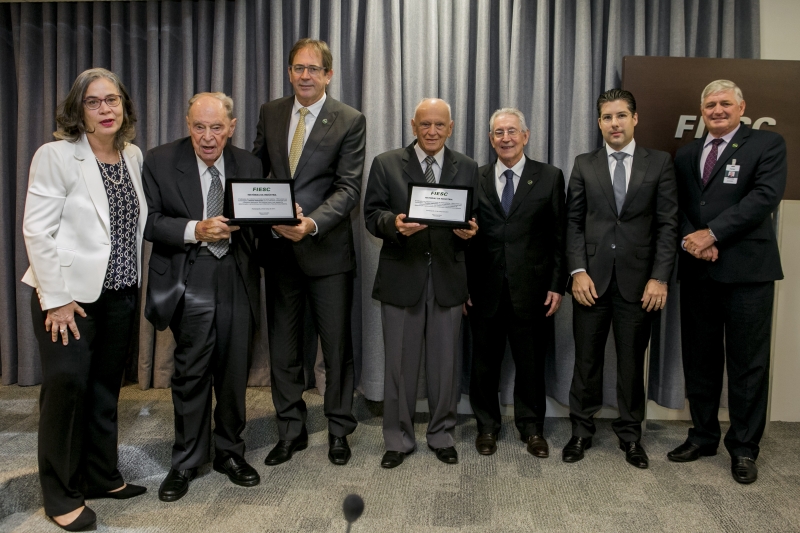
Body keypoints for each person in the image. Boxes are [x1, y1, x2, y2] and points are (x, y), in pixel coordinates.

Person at [22, 68, 148, 531]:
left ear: (125, 106)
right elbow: (37, 229)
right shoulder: (55, 156)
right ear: (78, 110)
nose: (105, 109)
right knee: (67, 389)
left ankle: (99, 475)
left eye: (112, 100)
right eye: (93, 102)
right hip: (67, 299)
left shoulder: (132, 156)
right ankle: (59, 494)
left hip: (118, 293)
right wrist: (54, 299)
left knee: (103, 391)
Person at [142, 92, 262, 502]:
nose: (207, 137)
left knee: (232, 370)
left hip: (235, 275)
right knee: (191, 371)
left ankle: (230, 452)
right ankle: (187, 460)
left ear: (231, 127)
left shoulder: (250, 164)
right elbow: (152, 222)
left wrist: (281, 214)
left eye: (216, 128)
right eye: (199, 127)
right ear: (187, 125)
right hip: (188, 273)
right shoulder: (159, 160)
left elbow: (258, 221)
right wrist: (196, 229)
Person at [252, 38, 366, 466]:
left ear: (328, 75)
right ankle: (290, 431)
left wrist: (311, 223)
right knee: (283, 349)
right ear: (289, 72)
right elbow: (256, 170)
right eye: (298, 68)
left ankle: (339, 430)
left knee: (336, 350)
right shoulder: (271, 112)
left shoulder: (350, 120)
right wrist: (263, 214)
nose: (305, 75)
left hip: (327, 254)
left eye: (313, 69)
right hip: (279, 251)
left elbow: (349, 186)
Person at [670, 80, 786, 484]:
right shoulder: (686, 154)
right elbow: (679, 206)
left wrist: (712, 234)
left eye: (724, 104)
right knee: (700, 360)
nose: (717, 111)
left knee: (747, 364)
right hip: (699, 269)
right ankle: (702, 436)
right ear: (701, 111)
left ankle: (743, 448)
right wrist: (692, 238)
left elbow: (764, 198)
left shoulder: (767, 144)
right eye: (710, 106)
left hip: (748, 272)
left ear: (741, 107)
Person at [563, 89, 678, 469]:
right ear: (599, 123)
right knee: (587, 362)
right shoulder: (584, 163)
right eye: (607, 117)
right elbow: (573, 224)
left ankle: (630, 437)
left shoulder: (659, 163)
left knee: (631, 364)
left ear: (635, 119)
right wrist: (577, 271)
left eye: (621, 116)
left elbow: (667, 225)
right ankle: (581, 432)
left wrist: (660, 277)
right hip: (590, 283)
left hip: (639, 284)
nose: (615, 123)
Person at [364, 97, 479, 468]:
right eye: (425, 125)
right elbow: (371, 215)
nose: (432, 132)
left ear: (451, 127)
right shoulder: (385, 163)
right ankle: (397, 440)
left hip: (448, 276)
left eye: (439, 125)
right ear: (413, 126)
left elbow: (471, 214)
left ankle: (442, 434)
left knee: (446, 365)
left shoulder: (468, 166)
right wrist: (393, 225)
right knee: (399, 365)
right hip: (402, 276)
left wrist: (471, 230)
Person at [466, 108, 566, 458]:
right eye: (498, 133)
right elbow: (462, 238)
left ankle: (532, 429)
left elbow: (559, 236)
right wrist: (463, 286)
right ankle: (487, 427)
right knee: (483, 366)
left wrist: (558, 285)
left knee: (531, 364)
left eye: (511, 131)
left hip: (533, 290)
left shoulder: (550, 177)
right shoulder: (474, 177)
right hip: (483, 290)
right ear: (490, 139)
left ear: (526, 135)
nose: (505, 138)